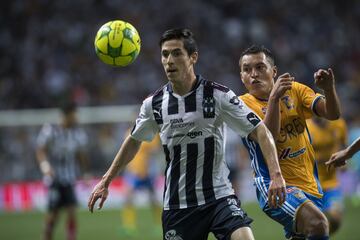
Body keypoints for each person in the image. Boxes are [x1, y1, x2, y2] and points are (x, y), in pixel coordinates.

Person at [88, 28, 286, 240]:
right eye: (165, 54)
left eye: (177, 53)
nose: (169, 60)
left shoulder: (218, 95)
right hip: (178, 205)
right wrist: (106, 180)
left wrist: (276, 175)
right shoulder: (153, 104)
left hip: (219, 197)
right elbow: (134, 141)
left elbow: (260, 130)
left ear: (193, 57)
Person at [238, 45, 341, 240]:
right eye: (247, 69)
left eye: (260, 67)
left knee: (303, 235)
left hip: (311, 185)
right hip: (275, 186)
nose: (253, 74)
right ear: (241, 76)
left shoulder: (295, 90)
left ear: (273, 71)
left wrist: (328, 88)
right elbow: (268, 135)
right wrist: (275, 98)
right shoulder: (241, 104)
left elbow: (333, 114)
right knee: (318, 224)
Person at [36, 101, 88, 240]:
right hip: (54, 179)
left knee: (72, 212)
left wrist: (85, 173)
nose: (76, 118)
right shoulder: (51, 130)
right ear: (67, 115)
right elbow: (40, 149)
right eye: (74, 114)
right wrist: (45, 166)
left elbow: (81, 155)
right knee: (53, 215)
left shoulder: (77, 132)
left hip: (69, 179)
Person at [307, 117, 347, 235]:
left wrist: (344, 159)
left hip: (331, 183)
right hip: (311, 185)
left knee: (336, 219)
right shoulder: (305, 127)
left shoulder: (339, 124)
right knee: (310, 226)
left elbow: (344, 145)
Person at [120, 130, 162, 236]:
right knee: (128, 198)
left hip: (148, 171)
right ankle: (129, 226)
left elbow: (156, 149)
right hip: (133, 170)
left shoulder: (152, 133)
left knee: (153, 199)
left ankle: (159, 224)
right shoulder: (130, 131)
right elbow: (126, 149)